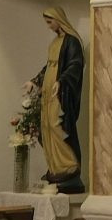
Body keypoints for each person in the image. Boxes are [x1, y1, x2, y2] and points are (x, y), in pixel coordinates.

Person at [33, 10, 86, 193]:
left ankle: (69, 166)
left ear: (58, 20)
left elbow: (75, 64)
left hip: (60, 91)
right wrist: (34, 81)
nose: (48, 26)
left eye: (49, 22)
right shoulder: (54, 42)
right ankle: (55, 168)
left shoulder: (72, 41)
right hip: (48, 91)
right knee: (46, 126)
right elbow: (48, 66)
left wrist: (62, 81)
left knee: (57, 126)